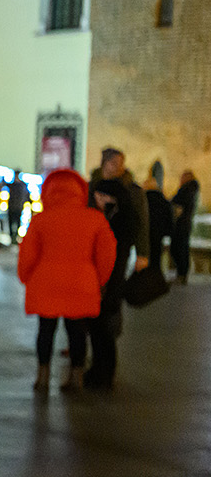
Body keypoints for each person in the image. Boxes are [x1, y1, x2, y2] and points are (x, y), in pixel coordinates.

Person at [18, 169, 114, 392]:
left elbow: (27, 254)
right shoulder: (94, 219)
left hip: (46, 282)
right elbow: (107, 253)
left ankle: (42, 377)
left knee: (45, 331)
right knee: (77, 332)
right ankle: (76, 377)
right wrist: (99, 279)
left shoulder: (41, 220)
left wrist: (26, 277)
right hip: (81, 283)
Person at [85, 147, 149, 390]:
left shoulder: (128, 195)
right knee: (97, 318)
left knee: (105, 318)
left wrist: (142, 254)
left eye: (120, 164)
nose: (118, 168)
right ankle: (99, 368)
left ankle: (104, 371)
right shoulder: (93, 187)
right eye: (114, 163)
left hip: (111, 270)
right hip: (95, 267)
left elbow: (139, 225)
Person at [170, 170, 200, 284]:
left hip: (181, 224)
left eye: (182, 177)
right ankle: (181, 274)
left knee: (179, 248)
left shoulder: (186, 190)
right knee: (181, 248)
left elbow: (177, 203)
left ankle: (181, 274)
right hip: (185, 223)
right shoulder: (191, 190)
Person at [143, 177, 173, 272]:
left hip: (145, 231)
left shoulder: (143, 199)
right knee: (156, 255)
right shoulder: (163, 200)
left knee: (145, 254)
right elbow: (169, 217)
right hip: (159, 232)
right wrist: (168, 231)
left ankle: (145, 274)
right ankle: (156, 274)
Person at [6, 172, 29, 244]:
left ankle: (16, 238)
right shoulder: (12, 185)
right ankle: (12, 238)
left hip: (18, 207)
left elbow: (26, 196)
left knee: (17, 223)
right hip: (12, 207)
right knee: (11, 223)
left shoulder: (22, 185)